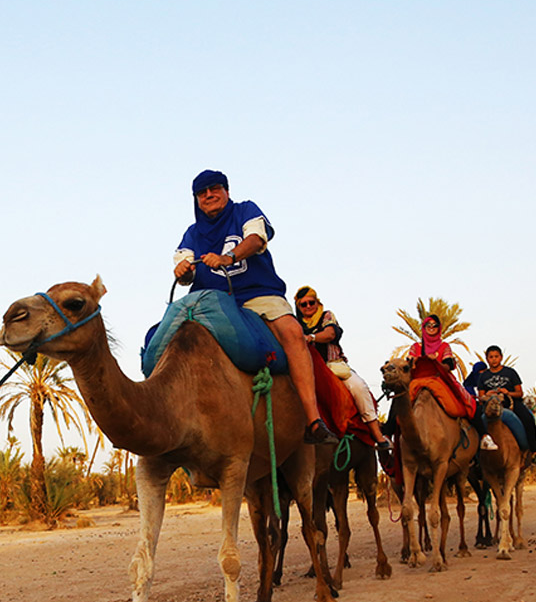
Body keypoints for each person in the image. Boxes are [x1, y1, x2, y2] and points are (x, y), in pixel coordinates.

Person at [173, 169, 337, 445]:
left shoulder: (245, 211)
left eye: (215, 189)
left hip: (257, 293)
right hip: (213, 300)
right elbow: (185, 269)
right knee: (175, 340)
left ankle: (313, 420)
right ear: (196, 200)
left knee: (293, 332)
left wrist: (229, 257)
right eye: (202, 193)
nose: (209, 195)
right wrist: (183, 271)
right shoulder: (192, 234)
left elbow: (257, 239)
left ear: (226, 191)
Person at [294, 286, 391, 450]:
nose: (308, 306)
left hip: (334, 366)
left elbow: (331, 334)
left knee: (359, 388)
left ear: (317, 302)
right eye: (303, 305)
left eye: (311, 302)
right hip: (308, 368)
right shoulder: (295, 324)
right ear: (298, 307)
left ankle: (378, 435)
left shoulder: (326, 316)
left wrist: (311, 337)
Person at [408, 316, 497, 450]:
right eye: (428, 325)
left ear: (439, 328)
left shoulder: (444, 347)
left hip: (439, 380)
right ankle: (386, 434)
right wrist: (417, 361)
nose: (431, 328)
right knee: (400, 403)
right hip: (417, 381)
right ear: (424, 328)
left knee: (468, 402)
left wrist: (435, 362)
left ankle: (484, 436)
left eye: (435, 325)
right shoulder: (416, 347)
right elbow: (408, 364)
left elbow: (448, 365)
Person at [478, 345, 536, 453]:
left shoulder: (510, 372)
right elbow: (480, 396)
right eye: (491, 357)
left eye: (496, 356)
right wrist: (488, 394)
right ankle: (476, 458)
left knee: (528, 418)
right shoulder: (483, 376)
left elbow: (520, 393)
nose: (494, 359)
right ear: (487, 359)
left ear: (501, 357)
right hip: (490, 404)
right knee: (475, 418)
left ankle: (534, 452)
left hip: (511, 402)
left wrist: (507, 392)